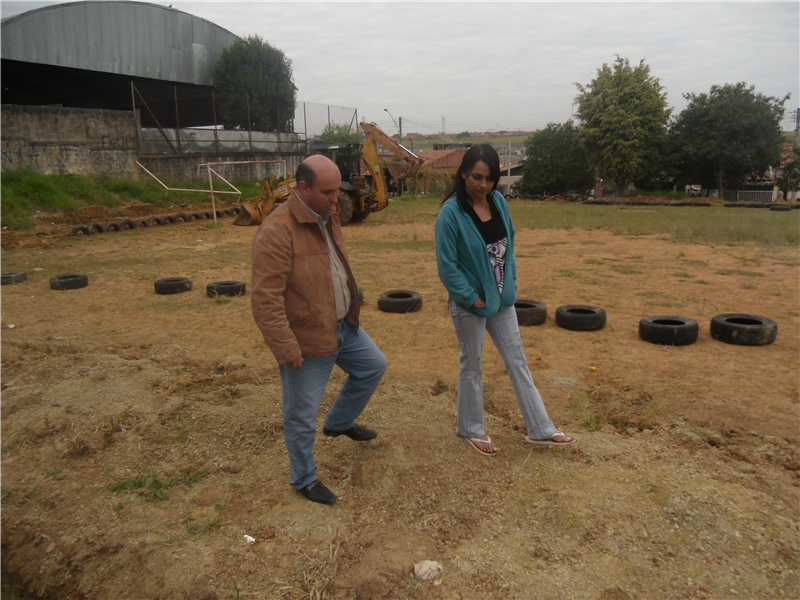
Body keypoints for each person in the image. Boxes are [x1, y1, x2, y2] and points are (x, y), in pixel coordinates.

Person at [251, 155, 387, 504]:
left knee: (373, 366)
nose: (334, 198)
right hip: (306, 339)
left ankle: (339, 422)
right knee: (301, 415)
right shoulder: (277, 230)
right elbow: (266, 298)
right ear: (302, 188)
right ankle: (304, 479)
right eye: (327, 192)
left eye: (336, 190)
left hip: (343, 326)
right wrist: (286, 346)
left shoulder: (328, 216)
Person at [434, 144, 575, 456]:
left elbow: (508, 245)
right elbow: (447, 267)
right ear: (463, 175)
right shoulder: (450, 214)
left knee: (518, 361)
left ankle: (541, 429)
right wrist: (473, 299)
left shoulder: (498, 202)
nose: (483, 185)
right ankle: (471, 428)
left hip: (503, 299)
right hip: (471, 303)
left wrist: (510, 281)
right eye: (476, 177)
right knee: (473, 364)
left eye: (490, 178)